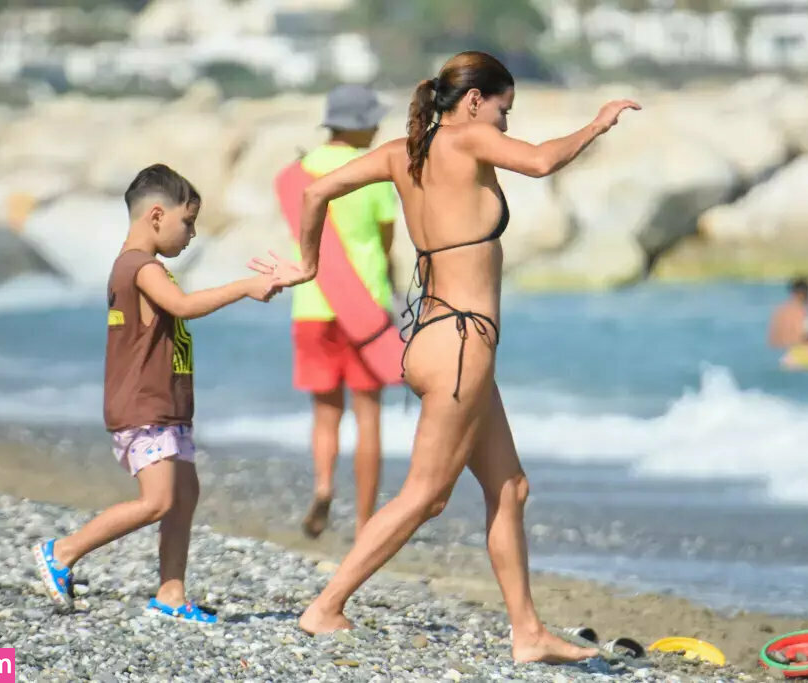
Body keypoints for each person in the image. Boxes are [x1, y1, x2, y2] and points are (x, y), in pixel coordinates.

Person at [251, 51, 639, 662]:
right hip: (461, 347)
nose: (506, 124)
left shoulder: (401, 153)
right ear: (475, 100)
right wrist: (597, 123)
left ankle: (528, 633)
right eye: (505, 109)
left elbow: (317, 189)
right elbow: (542, 161)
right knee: (425, 496)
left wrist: (307, 265)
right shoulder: (468, 139)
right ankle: (325, 606)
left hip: (433, 340)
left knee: (509, 487)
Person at [32, 164, 280, 620]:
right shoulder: (140, 267)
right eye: (189, 222)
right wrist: (245, 287)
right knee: (158, 500)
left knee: (184, 496)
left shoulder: (143, 267)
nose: (192, 234)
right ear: (157, 216)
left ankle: (171, 595)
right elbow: (183, 306)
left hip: (166, 406)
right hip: (144, 406)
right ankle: (63, 551)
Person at [285, 85, 398, 539]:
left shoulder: (301, 172)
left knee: (325, 412)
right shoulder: (374, 171)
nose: (378, 128)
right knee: (368, 414)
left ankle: (324, 486)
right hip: (364, 308)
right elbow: (386, 240)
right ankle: (366, 520)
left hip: (312, 304)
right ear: (360, 125)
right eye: (374, 121)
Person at [768, 276, 808, 369]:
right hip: (795, 356)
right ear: (804, 294)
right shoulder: (800, 310)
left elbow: (773, 340)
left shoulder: (779, 310)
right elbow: (800, 336)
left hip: (779, 356)